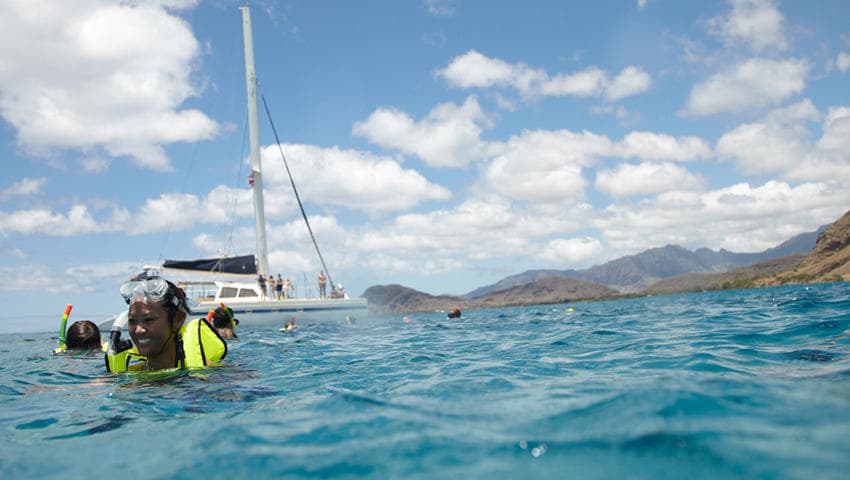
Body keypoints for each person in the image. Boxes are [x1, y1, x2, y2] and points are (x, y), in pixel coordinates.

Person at [105, 275, 227, 372]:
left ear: (177, 320)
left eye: (149, 320)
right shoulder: (127, 378)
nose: (138, 330)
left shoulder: (210, 374)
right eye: (132, 321)